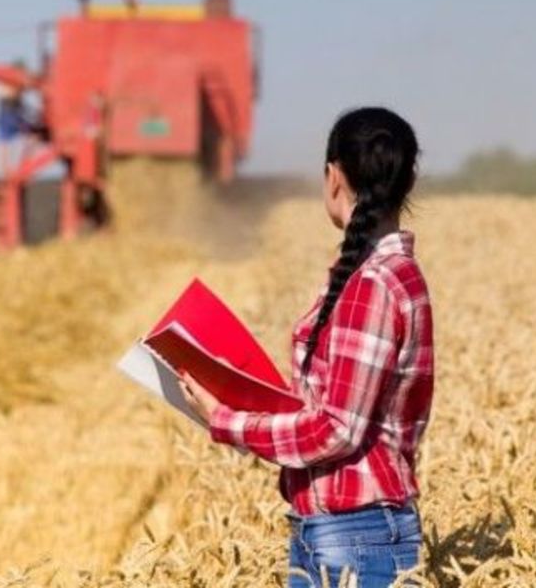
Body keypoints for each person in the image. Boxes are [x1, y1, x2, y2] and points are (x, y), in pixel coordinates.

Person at [180, 107, 433, 587]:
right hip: (344, 532)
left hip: (354, 535)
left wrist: (225, 420)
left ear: (333, 176)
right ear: (408, 179)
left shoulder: (372, 284)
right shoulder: (382, 275)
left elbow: (338, 430)